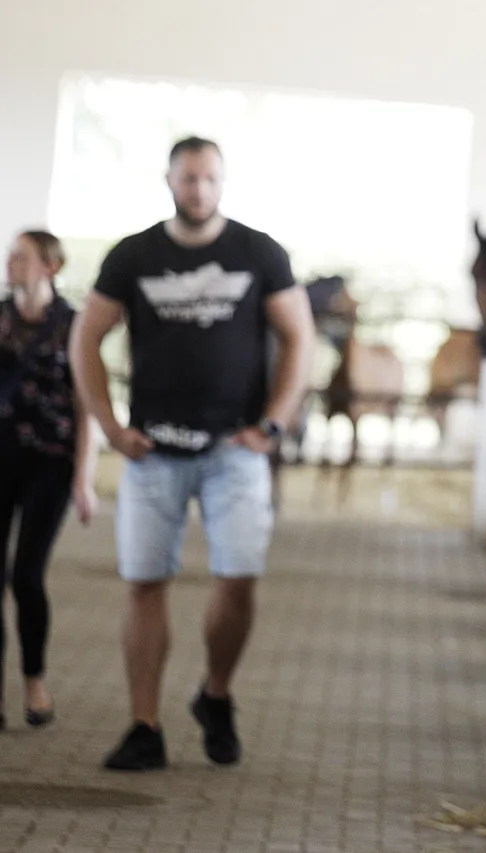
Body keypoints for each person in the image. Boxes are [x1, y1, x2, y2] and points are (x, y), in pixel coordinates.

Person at [69, 136, 315, 771]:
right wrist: (110, 427)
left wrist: (272, 427)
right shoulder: (134, 256)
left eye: (208, 179)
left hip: (235, 450)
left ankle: (216, 694)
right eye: (188, 179)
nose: (198, 189)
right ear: (169, 181)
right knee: (145, 582)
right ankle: (144, 725)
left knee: (238, 578)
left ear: (222, 182)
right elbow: (86, 338)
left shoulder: (258, 253)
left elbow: (299, 337)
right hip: (153, 452)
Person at [0, 229, 99, 732]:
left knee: (26, 575)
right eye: (10, 256)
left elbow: (88, 408)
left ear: (50, 267)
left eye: (22, 257)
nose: (11, 263)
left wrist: (84, 478)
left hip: (51, 464)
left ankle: (34, 680)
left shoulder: (73, 325)